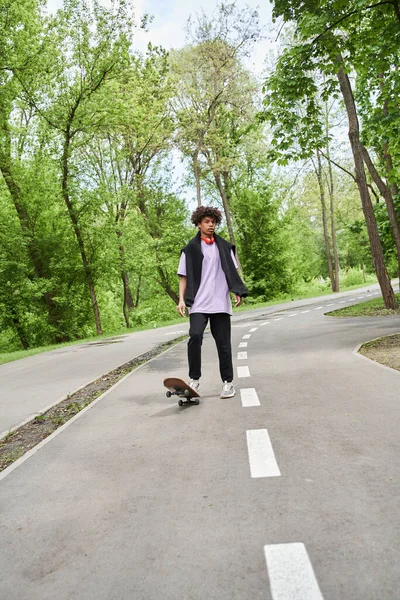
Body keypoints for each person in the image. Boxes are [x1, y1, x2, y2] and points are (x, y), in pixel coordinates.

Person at [177, 206, 248, 398]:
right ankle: (194, 380)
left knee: (223, 344)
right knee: (195, 336)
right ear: (198, 224)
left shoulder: (224, 247)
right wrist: (181, 300)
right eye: (207, 222)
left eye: (213, 222)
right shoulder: (190, 249)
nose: (211, 225)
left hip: (220, 303)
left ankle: (228, 383)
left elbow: (232, 272)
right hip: (199, 303)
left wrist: (237, 291)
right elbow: (183, 277)